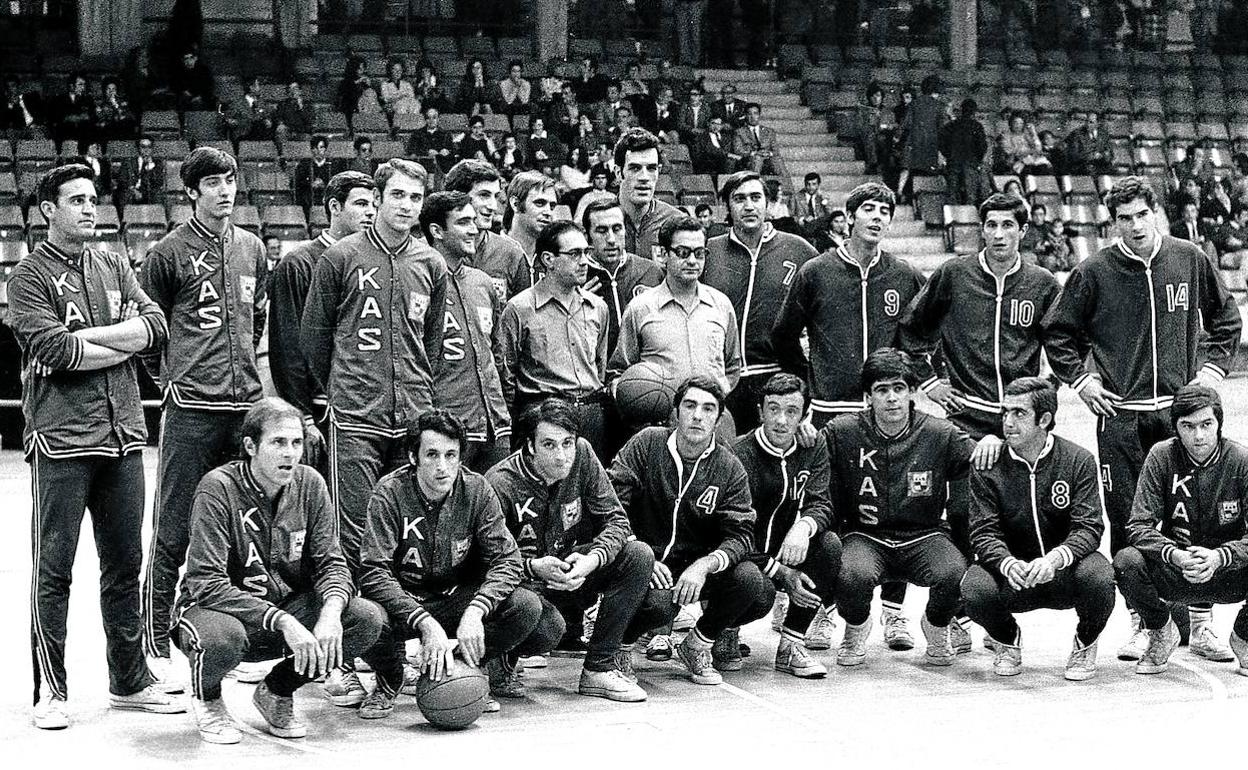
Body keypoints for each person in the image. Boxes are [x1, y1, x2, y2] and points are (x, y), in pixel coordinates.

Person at [1043, 176, 1242, 661]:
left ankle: (1201, 622)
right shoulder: (1094, 271)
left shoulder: (1189, 258)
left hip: (1181, 416)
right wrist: (1082, 381)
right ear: (1113, 223)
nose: (1134, 225)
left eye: (1141, 214)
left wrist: (1211, 372)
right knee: (1129, 517)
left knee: (1200, 515)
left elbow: (1226, 318)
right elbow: (1058, 332)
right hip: (1123, 418)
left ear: (1156, 213)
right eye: (1124, 218)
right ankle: (1145, 622)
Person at [12, 164, 178, 730]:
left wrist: (92, 342)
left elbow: (156, 326)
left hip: (125, 434)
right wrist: (118, 343)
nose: (89, 208)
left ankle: (129, 681)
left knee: (124, 564)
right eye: (76, 200)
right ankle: (52, 691)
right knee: (53, 568)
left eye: (93, 199)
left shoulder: (112, 262)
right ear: (47, 210)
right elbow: (54, 352)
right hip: (62, 440)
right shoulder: (28, 278)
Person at [899, 193, 1062, 649]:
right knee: (966, 518)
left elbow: (1065, 341)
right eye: (990, 225)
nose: (997, 234)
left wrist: (1044, 394)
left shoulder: (1043, 282)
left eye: (1007, 225)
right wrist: (929, 381)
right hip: (966, 416)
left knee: (1014, 521)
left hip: (1021, 422)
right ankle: (947, 615)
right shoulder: (954, 275)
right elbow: (912, 329)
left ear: (1022, 231)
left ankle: (993, 613)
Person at [174, 398, 385, 743]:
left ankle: (276, 691)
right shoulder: (218, 488)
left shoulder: (311, 484)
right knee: (220, 639)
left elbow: (331, 561)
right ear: (250, 446)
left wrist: (331, 611)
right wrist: (282, 621)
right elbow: (205, 582)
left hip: (283, 614)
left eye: (296, 443)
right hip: (222, 616)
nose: (290, 453)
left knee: (364, 618)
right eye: (278, 442)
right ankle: (207, 696)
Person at [140, 148, 268, 690]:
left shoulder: (253, 247)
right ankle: (153, 640)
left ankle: (232, 636)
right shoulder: (167, 252)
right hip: (192, 408)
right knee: (174, 526)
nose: (224, 190)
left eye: (230, 180)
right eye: (212, 182)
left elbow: (256, 316)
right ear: (191, 191)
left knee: (240, 525)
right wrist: (170, 378)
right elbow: (148, 329)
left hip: (244, 410)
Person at [300, 158, 448, 576]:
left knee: (409, 527)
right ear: (378, 199)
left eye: (416, 197)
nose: (407, 206)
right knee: (356, 532)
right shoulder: (341, 257)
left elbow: (432, 342)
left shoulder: (430, 263)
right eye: (398, 195)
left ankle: (406, 629)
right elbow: (313, 338)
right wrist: (345, 383)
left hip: (414, 417)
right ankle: (363, 632)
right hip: (355, 416)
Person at [358, 410, 547, 714]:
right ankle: (389, 677)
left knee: (529, 608)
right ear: (413, 457)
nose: (442, 466)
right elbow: (373, 571)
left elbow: (507, 559)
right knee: (366, 616)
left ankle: (461, 669)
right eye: (431, 455)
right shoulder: (389, 493)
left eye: (451, 455)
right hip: (404, 603)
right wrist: (422, 620)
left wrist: (477, 610)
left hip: (457, 599)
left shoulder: (477, 490)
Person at [486, 399, 666, 701]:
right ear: (529, 446)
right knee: (547, 630)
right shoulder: (499, 483)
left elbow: (617, 520)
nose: (561, 456)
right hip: (521, 584)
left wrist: (592, 560)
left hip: (570, 569)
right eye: (549, 445)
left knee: (638, 554)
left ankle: (599, 669)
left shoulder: (582, 454)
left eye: (567, 443)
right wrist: (533, 568)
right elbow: (489, 563)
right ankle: (502, 655)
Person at [610, 376, 774, 683]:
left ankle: (698, 644)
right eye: (690, 405)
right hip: (646, 560)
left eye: (708, 408)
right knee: (660, 607)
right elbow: (611, 502)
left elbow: (741, 535)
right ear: (676, 412)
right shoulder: (647, 443)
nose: (698, 415)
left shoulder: (728, 465)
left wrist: (704, 565)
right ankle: (621, 647)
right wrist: (640, 553)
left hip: (695, 568)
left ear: (718, 418)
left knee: (757, 587)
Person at [824, 348, 976, 667]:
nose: (892, 398)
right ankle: (856, 626)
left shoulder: (939, 433)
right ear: (868, 396)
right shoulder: (843, 431)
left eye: (899, 388)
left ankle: (935, 625)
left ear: (911, 393)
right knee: (849, 575)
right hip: (866, 537)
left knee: (954, 573)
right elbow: (807, 453)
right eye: (882, 390)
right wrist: (804, 433)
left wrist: (992, 443)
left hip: (924, 536)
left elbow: (980, 459)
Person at [964, 377, 1113, 680]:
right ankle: (1006, 640)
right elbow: (983, 531)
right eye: (1005, 412)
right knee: (973, 587)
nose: (1007, 422)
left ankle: (1085, 643)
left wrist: (1054, 560)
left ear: (1044, 419)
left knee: (1101, 575)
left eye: (1019, 414)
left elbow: (1089, 527)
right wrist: (1007, 563)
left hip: (1062, 571)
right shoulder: (988, 465)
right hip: (1014, 576)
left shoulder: (1078, 460)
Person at [1114, 384, 1248, 675]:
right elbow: (1138, 525)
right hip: (1178, 568)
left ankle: (1244, 636)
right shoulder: (1161, 455)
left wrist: (1221, 557)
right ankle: (1161, 629)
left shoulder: (1241, 460)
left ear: (1219, 424)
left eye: (1206, 424)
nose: (1198, 435)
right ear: (1175, 427)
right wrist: (1173, 555)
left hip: (1226, 572)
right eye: (1187, 426)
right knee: (1126, 562)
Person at [772, 182, 925, 426]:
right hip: (830, 407)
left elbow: (929, 328)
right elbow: (783, 336)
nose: (877, 217)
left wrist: (916, 376)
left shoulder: (904, 274)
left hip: (885, 408)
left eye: (884, 212)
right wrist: (811, 379)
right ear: (851, 217)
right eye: (869, 209)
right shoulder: (816, 271)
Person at [732, 374, 841, 676]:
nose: (781, 420)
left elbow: (822, 503)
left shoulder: (812, 447)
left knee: (829, 544)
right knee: (759, 591)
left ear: (804, 415)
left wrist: (803, 526)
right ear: (760, 412)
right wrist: (780, 572)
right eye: (773, 409)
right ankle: (725, 629)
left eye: (791, 411)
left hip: (785, 550)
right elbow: (731, 532)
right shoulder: (738, 454)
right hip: (745, 556)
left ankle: (792, 645)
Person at [268, 171, 376, 451]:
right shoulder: (298, 263)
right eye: (361, 204)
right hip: (317, 411)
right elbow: (287, 346)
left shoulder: (374, 265)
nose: (370, 213)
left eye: (374, 205)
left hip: (363, 408)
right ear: (335, 208)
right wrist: (301, 415)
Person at [705, 171, 817, 432]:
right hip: (722, 380)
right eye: (739, 199)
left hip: (778, 379)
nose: (749, 206)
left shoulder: (799, 250)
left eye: (756, 197)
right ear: (727, 207)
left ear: (768, 204)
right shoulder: (709, 251)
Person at [611, 217, 743, 429]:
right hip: (662, 425)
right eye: (683, 252)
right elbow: (619, 373)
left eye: (699, 253)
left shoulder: (721, 305)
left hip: (712, 424)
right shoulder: (641, 308)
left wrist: (712, 401)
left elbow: (732, 366)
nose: (692, 261)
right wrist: (647, 405)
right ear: (663, 255)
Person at [499, 221, 610, 456]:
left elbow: (600, 365)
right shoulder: (520, 309)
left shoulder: (597, 307)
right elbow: (506, 374)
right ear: (548, 259)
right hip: (544, 414)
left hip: (590, 413)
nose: (584, 262)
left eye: (586, 253)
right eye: (574, 254)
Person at [419, 191, 511, 472]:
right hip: (447, 429)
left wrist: (504, 406)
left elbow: (497, 354)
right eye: (463, 223)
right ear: (437, 231)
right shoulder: (418, 279)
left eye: (474, 221)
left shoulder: (482, 283)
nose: (474, 229)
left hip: (495, 426)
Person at [582, 198, 665, 352]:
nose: (611, 239)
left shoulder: (650, 271)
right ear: (587, 236)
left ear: (626, 231)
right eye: (601, 231)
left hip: (644, 369)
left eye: (617, 229)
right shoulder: (577, 277)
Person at [443, 159, 530, 300]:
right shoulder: (427, 251)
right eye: (484, 195)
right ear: (456, 197)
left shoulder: (511, 254)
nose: (493, 206)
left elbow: (523, 316)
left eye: (495, 196)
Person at [614, 128, 685, 262]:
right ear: (618, 173)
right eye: (635, 168)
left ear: (658, 171)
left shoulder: (676, 222)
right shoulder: (600, 221)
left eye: (651, 169)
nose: (644, 177)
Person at [504, 170, 559, 287]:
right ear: (515, 204)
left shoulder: (552, 259)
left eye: (552, 206)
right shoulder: (489, 250)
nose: (548, 212)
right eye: (540, 203)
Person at [898, 75, 948, 201]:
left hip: (913, 141)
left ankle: (899, 192)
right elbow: (942, 128)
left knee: (907, 169)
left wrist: (897, 137)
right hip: (930, 143)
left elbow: (906, 123)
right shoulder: (940, 106)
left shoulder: (914, 103)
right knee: (930, 173)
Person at [939, 99, 990, 206]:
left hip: (953, 161)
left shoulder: (951, 125)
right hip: (970, 162)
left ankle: (952, 217)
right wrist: (978, 159)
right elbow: (982, 146)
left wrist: (948, 155)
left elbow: (941, 143)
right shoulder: (977, 126)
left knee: (952, 192)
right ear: (974, 112)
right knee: (970, 193)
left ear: (961, 110)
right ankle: (970, 218)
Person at [732, 104, 786, 177]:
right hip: (749, 160)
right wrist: (755, 153)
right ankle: (754, 184)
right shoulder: (740, 132)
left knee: (778, 160)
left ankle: (787, 187)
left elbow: (775, 150)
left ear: (759, 115)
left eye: (755, 113)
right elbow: (738, 150)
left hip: (767, 159)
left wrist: (768, 153)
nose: (752, 117)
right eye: (749, 114)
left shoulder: (769, 131)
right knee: (757, 159)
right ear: (745, 116)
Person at [293, 136, 338, 214]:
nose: (318, 151)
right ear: (311, 150)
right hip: (308, 200)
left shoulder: (332, 166)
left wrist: (324, 184)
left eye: (321, 147)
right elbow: (296, 183)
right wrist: (310, 184)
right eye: (315, 148)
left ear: (326, 149)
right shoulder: (304, 165)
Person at [404, 107, 455, 175]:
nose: (431, 120)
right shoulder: (417, 134)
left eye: (434, 117)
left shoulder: (446, 134)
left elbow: (453, 150)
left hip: (442, 168)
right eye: (428, 118)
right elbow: (411, 150)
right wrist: (426, 152)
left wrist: (447, 151)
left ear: (438, 119)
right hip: (423, 167)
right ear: (425, 120)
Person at [118, 134, 165, 206]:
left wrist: (150, 166)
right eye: (143, 147)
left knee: (157, 196)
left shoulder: (157, 163)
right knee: (125, 196)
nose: (146, 150)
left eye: (149, 147)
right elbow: (122, 180)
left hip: (149, 193)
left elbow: (158, 182)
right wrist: (134, 191)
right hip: (131, 191)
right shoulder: (128, 162)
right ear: (138, 148)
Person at [1063, 111, 1113, 177]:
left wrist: (1104, 155)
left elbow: (1110, 153)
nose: (1087, 125)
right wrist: (1092, 156)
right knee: (1090, 169)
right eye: (1086, 121)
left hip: (1099, 164)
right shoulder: (1077, 134)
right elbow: (1074, 155)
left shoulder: (1104, 135)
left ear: (1098, 123)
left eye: (1091, 122)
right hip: (1082, 165)